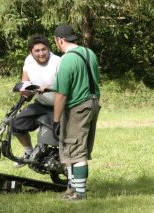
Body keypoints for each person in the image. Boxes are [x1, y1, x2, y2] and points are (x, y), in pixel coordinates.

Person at [52, 24, 101, 200]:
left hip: (77, 107)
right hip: (93, 103)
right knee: (78, 147)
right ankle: (72, 189)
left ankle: (79, 194)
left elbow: (61, 94)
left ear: (60, 40)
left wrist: (56, 120)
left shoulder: (66, 59)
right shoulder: (89, 53)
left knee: (75, 149)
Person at [12, 34, 61, 167]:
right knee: (16, 124)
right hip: (41, 103)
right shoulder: (28, 61)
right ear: (31, 52)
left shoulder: (58, 62)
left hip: (58, 106)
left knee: (56, 135)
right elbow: (25, 82)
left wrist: (49, 87)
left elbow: (65, 86)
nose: (41, 53)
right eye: (37, 51)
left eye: (44, 49)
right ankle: (28, 152)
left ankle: (56, 162)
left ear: (49, 49)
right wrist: (24, 93)